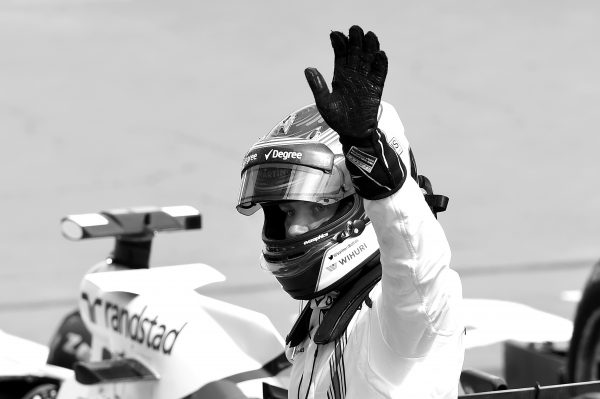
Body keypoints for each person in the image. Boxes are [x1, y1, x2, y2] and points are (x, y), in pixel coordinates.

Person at [236, 25, 464, 398]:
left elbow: (419, 271)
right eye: (282, 213)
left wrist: (375, 167)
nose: (291, 230)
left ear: (358, 205)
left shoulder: (401, 315)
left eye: (304, 210)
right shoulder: (325, 309)